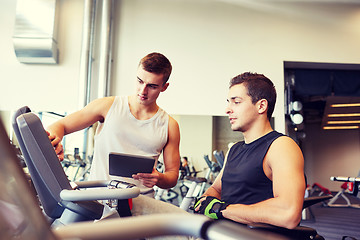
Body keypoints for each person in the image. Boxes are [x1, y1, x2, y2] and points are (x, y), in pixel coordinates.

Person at [47, 52, 183, 217]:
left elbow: (172, 176)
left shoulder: (169, 125)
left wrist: (159, 178)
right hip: (99, 199)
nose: (143, 90)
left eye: (152, 86)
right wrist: (55, 140)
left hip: (139, 205)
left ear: (164, 87)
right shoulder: (108, 106)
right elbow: (60, 125)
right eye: (140, 81)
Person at [194, 72, 305, 229]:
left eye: (236, 102)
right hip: (222, 232)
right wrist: (206, 202)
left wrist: (222, 209)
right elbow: (216, 189)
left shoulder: (281, 146)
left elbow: (288, 213)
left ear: (261, 106)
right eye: (228, 102)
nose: (227, 109)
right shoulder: (234, 149)